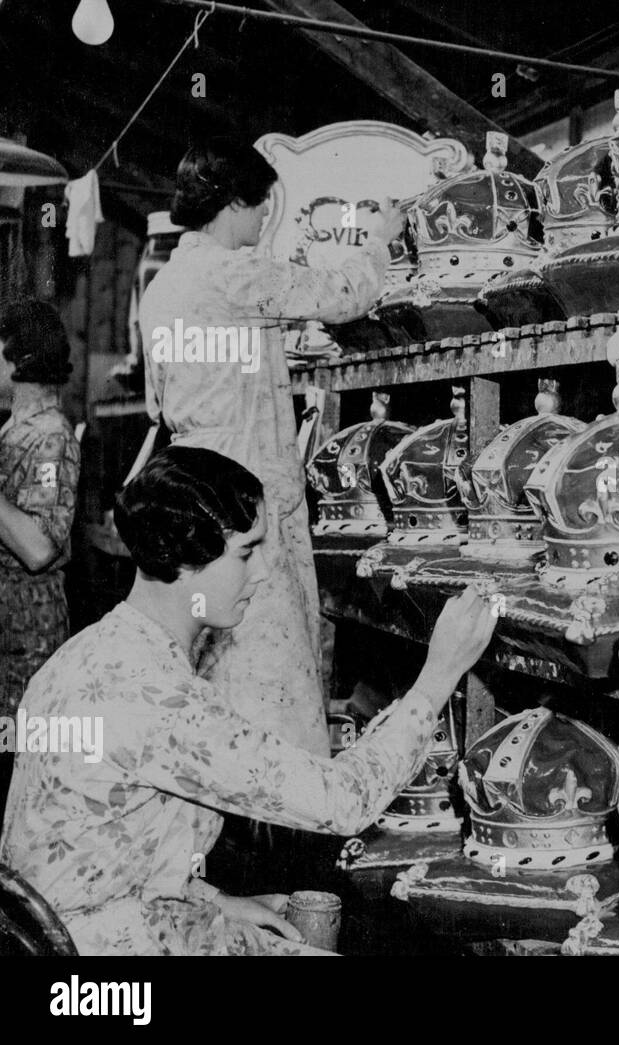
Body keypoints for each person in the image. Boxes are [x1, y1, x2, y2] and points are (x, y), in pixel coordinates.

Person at [0, 446, 496, 955]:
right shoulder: (160, 701)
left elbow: (100, 842)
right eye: (246, 551)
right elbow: (342, 801)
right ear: (186, 558)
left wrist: (213, 900)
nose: (262, 573)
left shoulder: (87, 654)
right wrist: (439, 675)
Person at [137, 138, 406, 756]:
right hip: (244, 484)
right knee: (270, 662)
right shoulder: (231, 273)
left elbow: (171, 397)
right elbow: (342, 295)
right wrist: (380, 239)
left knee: (211, 660)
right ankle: (281, 819)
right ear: (233, 203)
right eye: (261, 206)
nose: (265, 219)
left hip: (192, 484)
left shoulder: (165, 287)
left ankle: (225, 819)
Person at [0, 300, 79, 805]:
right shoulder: (15, 431)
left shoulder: (50, 439)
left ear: (19, 359)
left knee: (17, 779)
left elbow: (37, 545)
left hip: (27, 640)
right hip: (9, 631)